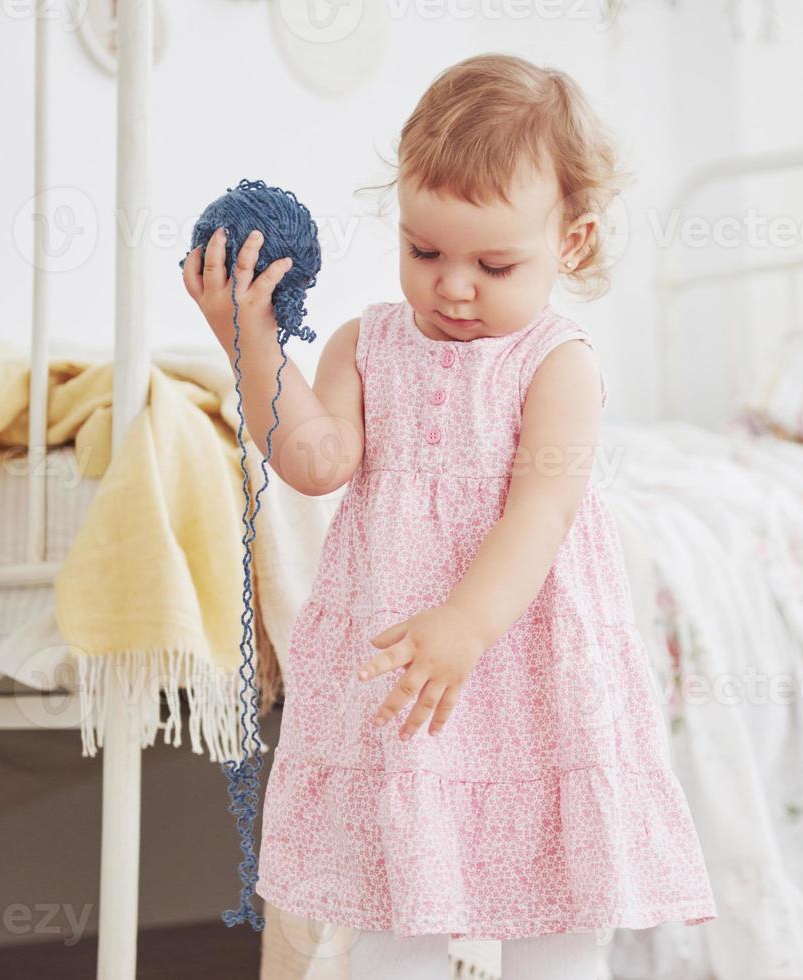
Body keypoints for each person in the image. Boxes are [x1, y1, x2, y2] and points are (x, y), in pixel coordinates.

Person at [182, 52, 717, 979]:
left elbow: (542, 513)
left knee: (553, 908)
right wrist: (249, 339)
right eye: (424, 251)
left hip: (520, 658)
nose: (453, 285)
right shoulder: (368, 341)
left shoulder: (555, 362)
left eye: (493, 261)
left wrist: (466, 625)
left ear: (574, 244)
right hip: (403, 668)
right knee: (401, 893)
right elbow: (315, 462)